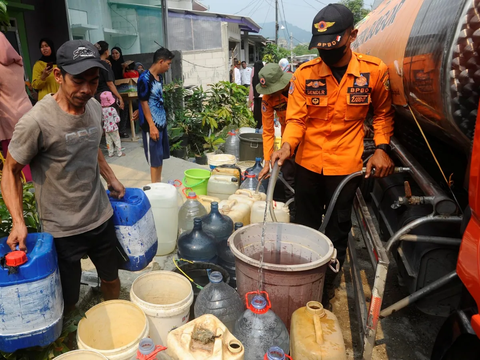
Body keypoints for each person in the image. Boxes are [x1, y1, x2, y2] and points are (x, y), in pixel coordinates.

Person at [2, 40, 126, 313]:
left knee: (111, 277)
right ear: (58, 76)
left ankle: (117, 319)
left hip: (99, 216)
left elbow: (91, 145)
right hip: (61, 229)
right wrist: (18, 222)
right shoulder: (36, 121)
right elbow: (10, 171)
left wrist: (110, 177)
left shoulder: (93, 107)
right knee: (68, 298)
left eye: (93, 82)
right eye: (78, 81)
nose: (86, 90)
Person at [270, 4, 395, 270]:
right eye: (321, 47)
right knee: (305, 225)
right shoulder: (305, 74)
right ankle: (304, 275)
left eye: (333, 45)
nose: (326, 52)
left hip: (346, 167)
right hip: (308, 164)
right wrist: (287, 145)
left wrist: (382, 148)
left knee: (338, 226)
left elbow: (383, 114)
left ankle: (328, 280)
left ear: (353, 35)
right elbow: (296, 119)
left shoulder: (373, 71)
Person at [137, 47, 175, 183]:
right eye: (168, 64)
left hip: (161, 121)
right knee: (154, 159)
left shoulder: (159, 77)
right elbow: (143, 101)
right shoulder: (144, 78)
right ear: (160, 61)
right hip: (151, 125)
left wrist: (138, 111)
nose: (169, 67)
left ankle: (159, 184)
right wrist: (152, 126)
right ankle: (155, 188)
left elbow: (148, 98)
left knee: (160, 156)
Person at [0, 32, 33, 181]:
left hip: (8, 116)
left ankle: (27, 191)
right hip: (27, 111)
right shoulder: (19, 64)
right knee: (32, 152)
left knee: (16, 161)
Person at [255, 63, 292, 170]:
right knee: (287, 171)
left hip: (306, 135)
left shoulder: (297, 86)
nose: (270, 93)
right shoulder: (267, 99)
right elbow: (267, 131)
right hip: (286, 137)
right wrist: (267, 162)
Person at [94, 41, 127, 138]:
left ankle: (107, 144)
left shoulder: (95, 64)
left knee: (104, 121)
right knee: (113, 121)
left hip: (97, 96)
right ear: (106, 52)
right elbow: (110, 83)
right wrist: (119, 97)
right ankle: (116, 146)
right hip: (107, 97)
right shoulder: (105, 65)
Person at [101, 91, 124, 157]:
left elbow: (102, 119)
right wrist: (116, 121)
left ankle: (110, 153)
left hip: (106, 128)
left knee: (108, 141)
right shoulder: (112, 109)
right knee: (116, 140)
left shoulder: (101, 110)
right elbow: (117, 119)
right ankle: (119, 153)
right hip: (113, 127)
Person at [249, 60, 264, 128]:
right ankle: (262, 124)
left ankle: (257, 125)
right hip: (263, 96)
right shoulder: (264, 74)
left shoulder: (253, 74)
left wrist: (251, 98)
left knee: (257, 110)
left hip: (256, 96)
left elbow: (251, 86)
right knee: (263, 112)